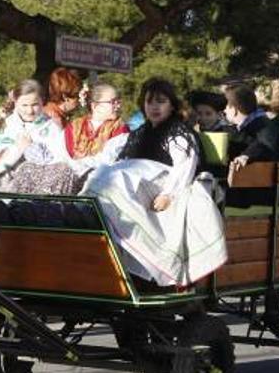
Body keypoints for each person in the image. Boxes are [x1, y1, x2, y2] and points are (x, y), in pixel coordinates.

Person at [81, 78, 227, 286]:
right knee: (103, 175)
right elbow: (123, 161)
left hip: (163, 187)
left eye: (161, 101)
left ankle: (147, 271)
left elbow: (185, 166)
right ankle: (92, 220)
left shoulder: (178, 132)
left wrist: (169, 194)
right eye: (150, 102)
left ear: (171, 105)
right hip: (139, 184)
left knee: (118, 180)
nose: (154, 107)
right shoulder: (140, 133)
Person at [0, 79, 65, 188]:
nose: (30, 111)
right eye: (24, 105)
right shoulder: (8, 123)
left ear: (42, 101)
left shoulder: (51, 128)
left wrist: (29, 148)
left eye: (35, 105)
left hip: (27, 187)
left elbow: (55, 164)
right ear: (16, 102)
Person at [65, 82, 129, 160]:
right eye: (112, 102)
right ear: (94, 106)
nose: (118, 106)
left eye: (118, 102)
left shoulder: (120, 128)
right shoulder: (73, 127)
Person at [223, 83, 270, 158]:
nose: (224, 111)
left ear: (234, 110)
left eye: (226, 107)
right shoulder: (263, 123)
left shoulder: (260, 129)